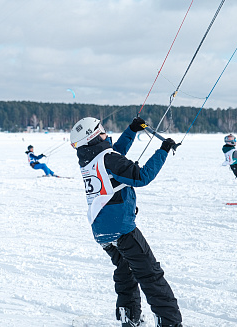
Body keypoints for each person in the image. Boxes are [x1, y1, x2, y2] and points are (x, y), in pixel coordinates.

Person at [70, 117, 182, 327]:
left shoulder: (89, 158)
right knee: (151, 275)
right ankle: (170, 323)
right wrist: (163, 150)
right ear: (94, 135)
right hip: (121, 229)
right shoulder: (108, 159)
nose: (105, 132)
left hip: (101, 231)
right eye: (101, 130)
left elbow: (115, 153)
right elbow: (141, 177)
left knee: (126, 273)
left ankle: (128, 319)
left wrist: (131, 130)